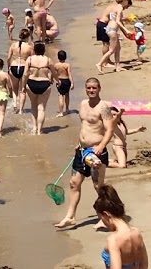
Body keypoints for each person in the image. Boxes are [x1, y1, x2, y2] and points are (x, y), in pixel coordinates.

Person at [56, 77, 121, 229]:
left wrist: (102, 146)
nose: (91, 90)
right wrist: (79, 143)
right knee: (74, 183)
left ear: (99, 89)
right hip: (81, 150)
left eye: (94, 88)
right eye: (89, 88)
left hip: (96, 152)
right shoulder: (83, 104)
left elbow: (110, 130)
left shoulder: (104, 107)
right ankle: (70, 217)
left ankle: (105, 217)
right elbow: (84, 126)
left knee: (98, 186)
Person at [93, 184, 147, 269]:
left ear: (106, 215)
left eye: (101, 218)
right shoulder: (137, 233)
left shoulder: (114, 240)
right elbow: (144, 265)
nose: (103, 223)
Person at [24, 42, 55, 134]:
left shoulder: (29, 59)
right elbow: (53, 72)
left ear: (34, 50)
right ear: (44, 50)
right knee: (41, 108)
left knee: (33, 106)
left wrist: (23, 86)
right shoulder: (48, 60)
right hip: (44, 83)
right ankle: (39, 130)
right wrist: (56, 80)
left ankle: (34, 127)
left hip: (31, 83)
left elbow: (25, 74)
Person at [54, 49, 74, 117]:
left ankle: (61, 112)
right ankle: (67, 109)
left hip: (60, 81)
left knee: (60, 96)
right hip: (67, 81)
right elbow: (69, 74)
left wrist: (51, 80)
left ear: (58, 57)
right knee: (67, 95)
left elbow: (53, 74)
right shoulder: (67, 65)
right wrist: (72, 83)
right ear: (65, 57)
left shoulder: (56, 65)